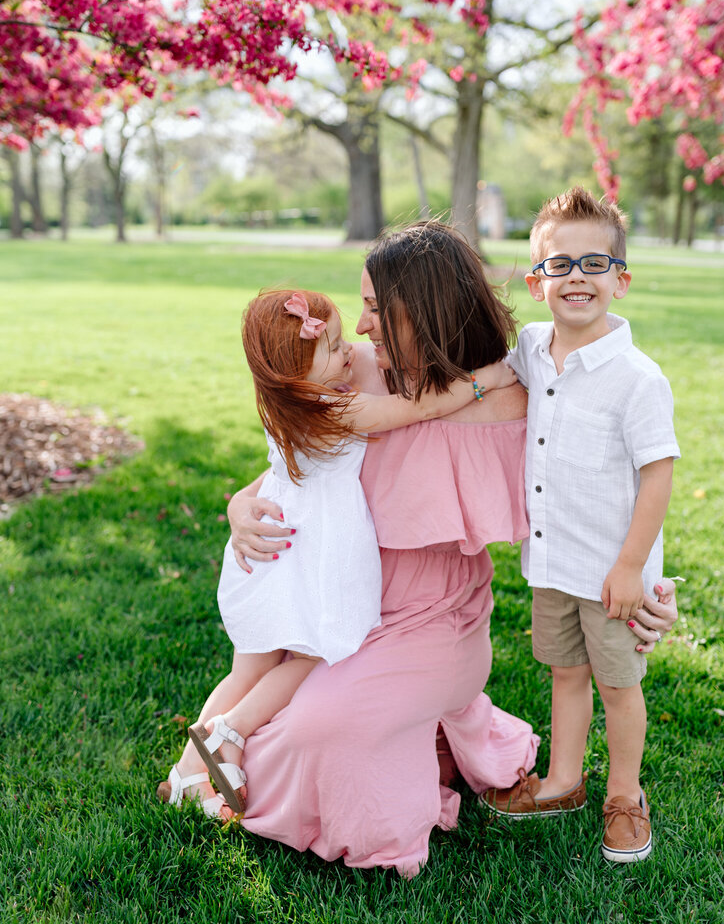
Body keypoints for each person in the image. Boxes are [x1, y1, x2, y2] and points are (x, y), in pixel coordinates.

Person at [223, 221, 679, 876]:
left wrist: (649, 583)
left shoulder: (512, 403)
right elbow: (297, 469)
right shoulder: (360, 375)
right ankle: (425, 739)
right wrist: (240, 507)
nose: (359, 326)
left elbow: (617, 486)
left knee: (316, 729)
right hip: (348, 609)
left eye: (377, 309)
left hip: (435, 623)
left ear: (426, 310)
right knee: (273, 710)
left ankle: (413, 772)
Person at [158, 286, 515, 819]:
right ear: (300, 374)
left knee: (247, 669)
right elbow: (416, 406)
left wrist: (240, 500)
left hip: (271, 553)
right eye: (333, 349)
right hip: (305, 555)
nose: (350, 350)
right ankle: (230, 731)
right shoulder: (334, 407)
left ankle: (186, 772)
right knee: (310, 655)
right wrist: (486, 380)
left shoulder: (286, 406)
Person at [481, 187, 680, 864]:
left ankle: (625, 794)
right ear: (537, 283)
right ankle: (563, 780)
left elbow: (658, 475)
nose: (576, 278)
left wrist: (631, 567)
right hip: (552, 561)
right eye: (559, 265)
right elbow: (486, 378)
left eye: (594, 264)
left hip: (612, 572)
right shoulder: (533, 349)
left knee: (619, 686)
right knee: (566, 674)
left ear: (620, 279)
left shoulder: (636, 377)